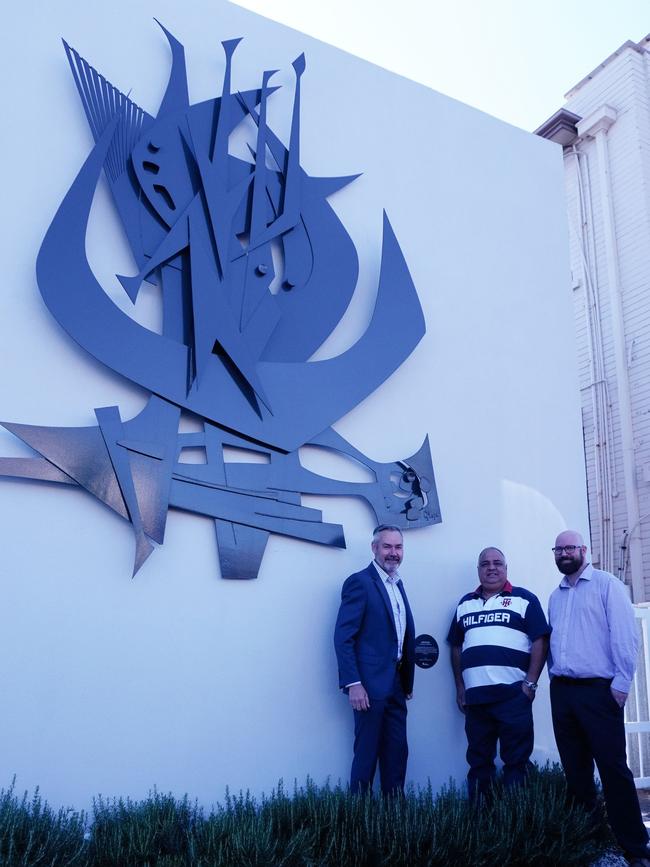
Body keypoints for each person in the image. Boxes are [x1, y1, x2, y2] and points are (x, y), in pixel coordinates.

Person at [548, 530, 649, 866]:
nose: (564, 553)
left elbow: (625, 636)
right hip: (562, 692)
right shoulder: (555, 596)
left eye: (570, 548)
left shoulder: (607, 585)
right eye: (559, 549)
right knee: (575, 772)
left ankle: (635, 847)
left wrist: (622, 684)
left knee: (613, 770)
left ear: (584, 550)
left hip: (598, 692)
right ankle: (590, 842)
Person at [447, 547, 550, 800]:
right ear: (478, 570)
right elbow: (457, 646)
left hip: (513, 697)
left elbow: (540, 641)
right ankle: (483, 824)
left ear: (506, 568)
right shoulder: (465, 603)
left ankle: (515, 824)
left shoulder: (524, 599)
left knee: (516, 762)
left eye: (497, 563)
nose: (491, 568)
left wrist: (530, 684)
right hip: (476, 701)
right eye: (485, 564)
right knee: (479, 762)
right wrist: (460, 688)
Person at [333, 524, 415, 795]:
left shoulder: (397, 584)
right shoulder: (360, 582)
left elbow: (400, 636)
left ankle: (392, 821)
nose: (393, 553)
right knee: (366, 754)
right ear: (374, 548)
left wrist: (406, 682)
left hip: (395, 686)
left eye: (398, 547)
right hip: (368, 687)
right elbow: (344, 637)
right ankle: (358, 823)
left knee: (397, 754)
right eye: (387, 546)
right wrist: (353, 683)